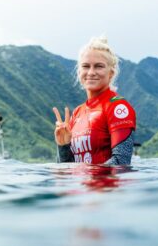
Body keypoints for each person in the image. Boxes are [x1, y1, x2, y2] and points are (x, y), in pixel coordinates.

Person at [53, 36, 136, 165]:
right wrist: (63, 146)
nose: (91, 72)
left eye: (99, 66)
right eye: (86, 66)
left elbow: (121, 162)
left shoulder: (118, 107)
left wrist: (89, 179)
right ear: (79, 72)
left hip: (107, 185)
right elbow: (67, 170)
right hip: (81, 185)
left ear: (111, 73)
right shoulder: (77, 113)